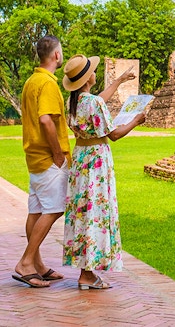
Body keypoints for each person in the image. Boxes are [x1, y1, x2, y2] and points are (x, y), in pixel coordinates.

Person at [62, 54, 146, 290]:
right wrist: (136, 120)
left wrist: (118, 81)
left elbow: (98, 100)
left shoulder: (75, 101)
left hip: (81, 160)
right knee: (95, 213)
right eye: (93, 70)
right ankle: (87, 274)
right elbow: (115, 134)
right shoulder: (93, 104)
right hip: (96, 162)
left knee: (83, 212)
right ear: (88, 77)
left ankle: (85, 270)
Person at [13, 35, 71, 288]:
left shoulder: (31, 81)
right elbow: (47, 120)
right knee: (55, 209)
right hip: (49, 158)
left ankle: (37, 264)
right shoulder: (47, 84)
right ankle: (26, 262)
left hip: (34, 157)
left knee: (36, 211)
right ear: (56, 56)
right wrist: (58, 154)